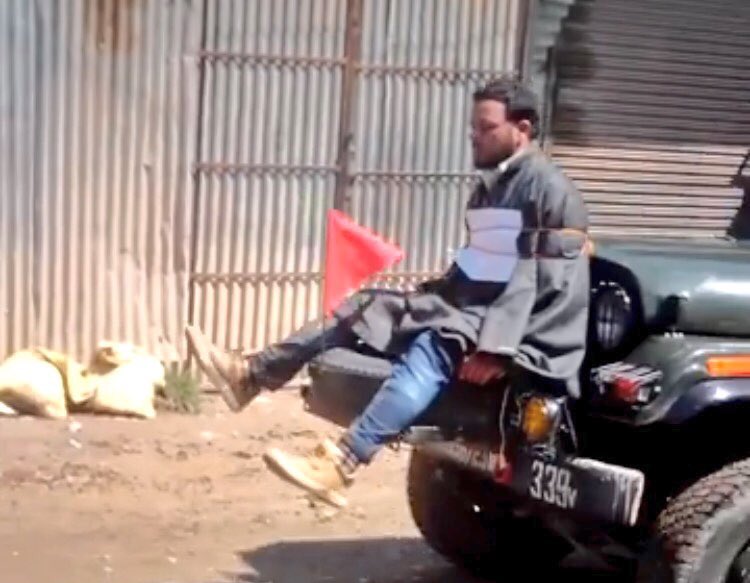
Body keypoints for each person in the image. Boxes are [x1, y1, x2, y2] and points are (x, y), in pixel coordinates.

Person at [186, 75, 590, 509]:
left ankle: (342, 463)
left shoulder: (549, 189)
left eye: (486, 128)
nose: (475, 137)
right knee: (367, 306)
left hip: (508, 326)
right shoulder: (489, 188)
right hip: (469, 306)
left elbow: (551, 282)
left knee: (436, 343)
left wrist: (498, 349)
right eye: (473, 127)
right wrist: (430, 295)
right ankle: (252, 375)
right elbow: (478, 262)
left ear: (522, 130)